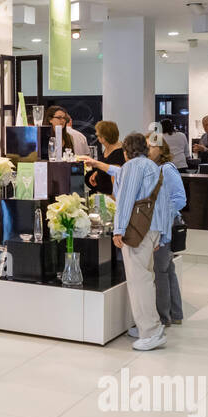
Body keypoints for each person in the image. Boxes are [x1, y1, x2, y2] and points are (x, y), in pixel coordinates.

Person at [80, 132, 171, 351]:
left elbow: (125, 200)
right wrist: (163, 234)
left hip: (136, 230)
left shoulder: (133, 168)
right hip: (152, 229)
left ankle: (151, 331)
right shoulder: (150, 166)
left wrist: (118, 230)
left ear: (125, 152)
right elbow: (121, 174)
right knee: (145, 277)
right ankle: (144, 326)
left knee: (139, 281)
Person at [150, 139, 188, 326]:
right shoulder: (154, 168)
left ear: (161, 148)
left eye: (151, 146)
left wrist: (164, 214)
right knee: (167, 269)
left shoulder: (166, 169)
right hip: (163, 223)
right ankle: (175, 313)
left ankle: (163, 318)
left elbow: (180, 199)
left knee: (161, 270)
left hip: (167, 224)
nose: (148, 150)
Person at [85, 120, 124, 195]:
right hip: (102, 193)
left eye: (98, 134)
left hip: (111, 197)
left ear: (104, 137)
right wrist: (97, 173)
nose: (96, 135)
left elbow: (115, 173)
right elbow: (106, 166)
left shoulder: (119, 152)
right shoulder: (107, 148)